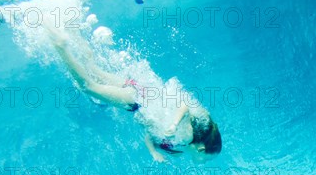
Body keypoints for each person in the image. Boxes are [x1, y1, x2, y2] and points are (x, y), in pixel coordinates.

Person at [43, 21, 222, 163]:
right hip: (137, 101)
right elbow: (185, 104)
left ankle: (74, 30)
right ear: (202, 149)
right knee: (88, 86)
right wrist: (174, 124)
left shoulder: (179, 146)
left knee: (93, 70)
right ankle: (61, 45)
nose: (203, 163)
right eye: (206, 160)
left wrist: (154, 152)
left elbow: (150, 134)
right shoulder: (190, 133)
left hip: (143, 92)